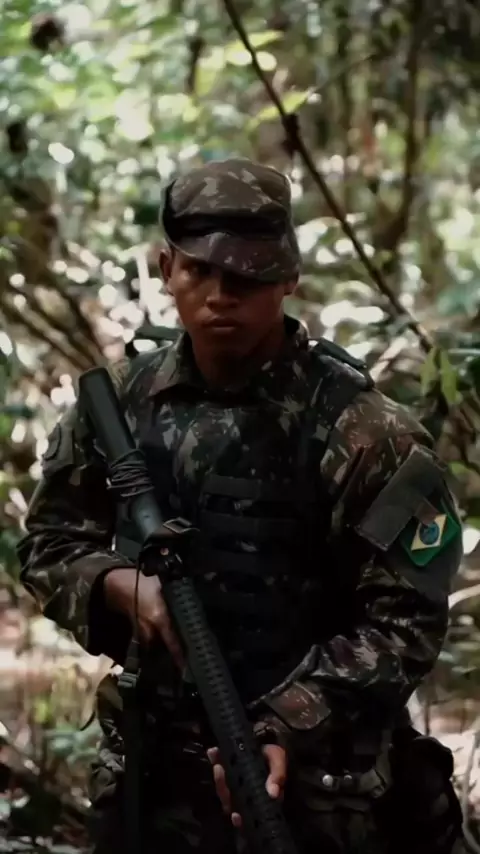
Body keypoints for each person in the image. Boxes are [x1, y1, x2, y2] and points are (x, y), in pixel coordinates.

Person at [17, 157, 465, 854]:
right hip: (151, 778)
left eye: (247, 277)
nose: (221, 296)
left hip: (320, 786)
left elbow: (405, 622)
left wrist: (286, 723)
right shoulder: (120, 404)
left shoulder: (366, 433)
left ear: (289, 278)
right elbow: (49, 543)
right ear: (166, 268)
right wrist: (119, 587)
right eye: (200, 271)